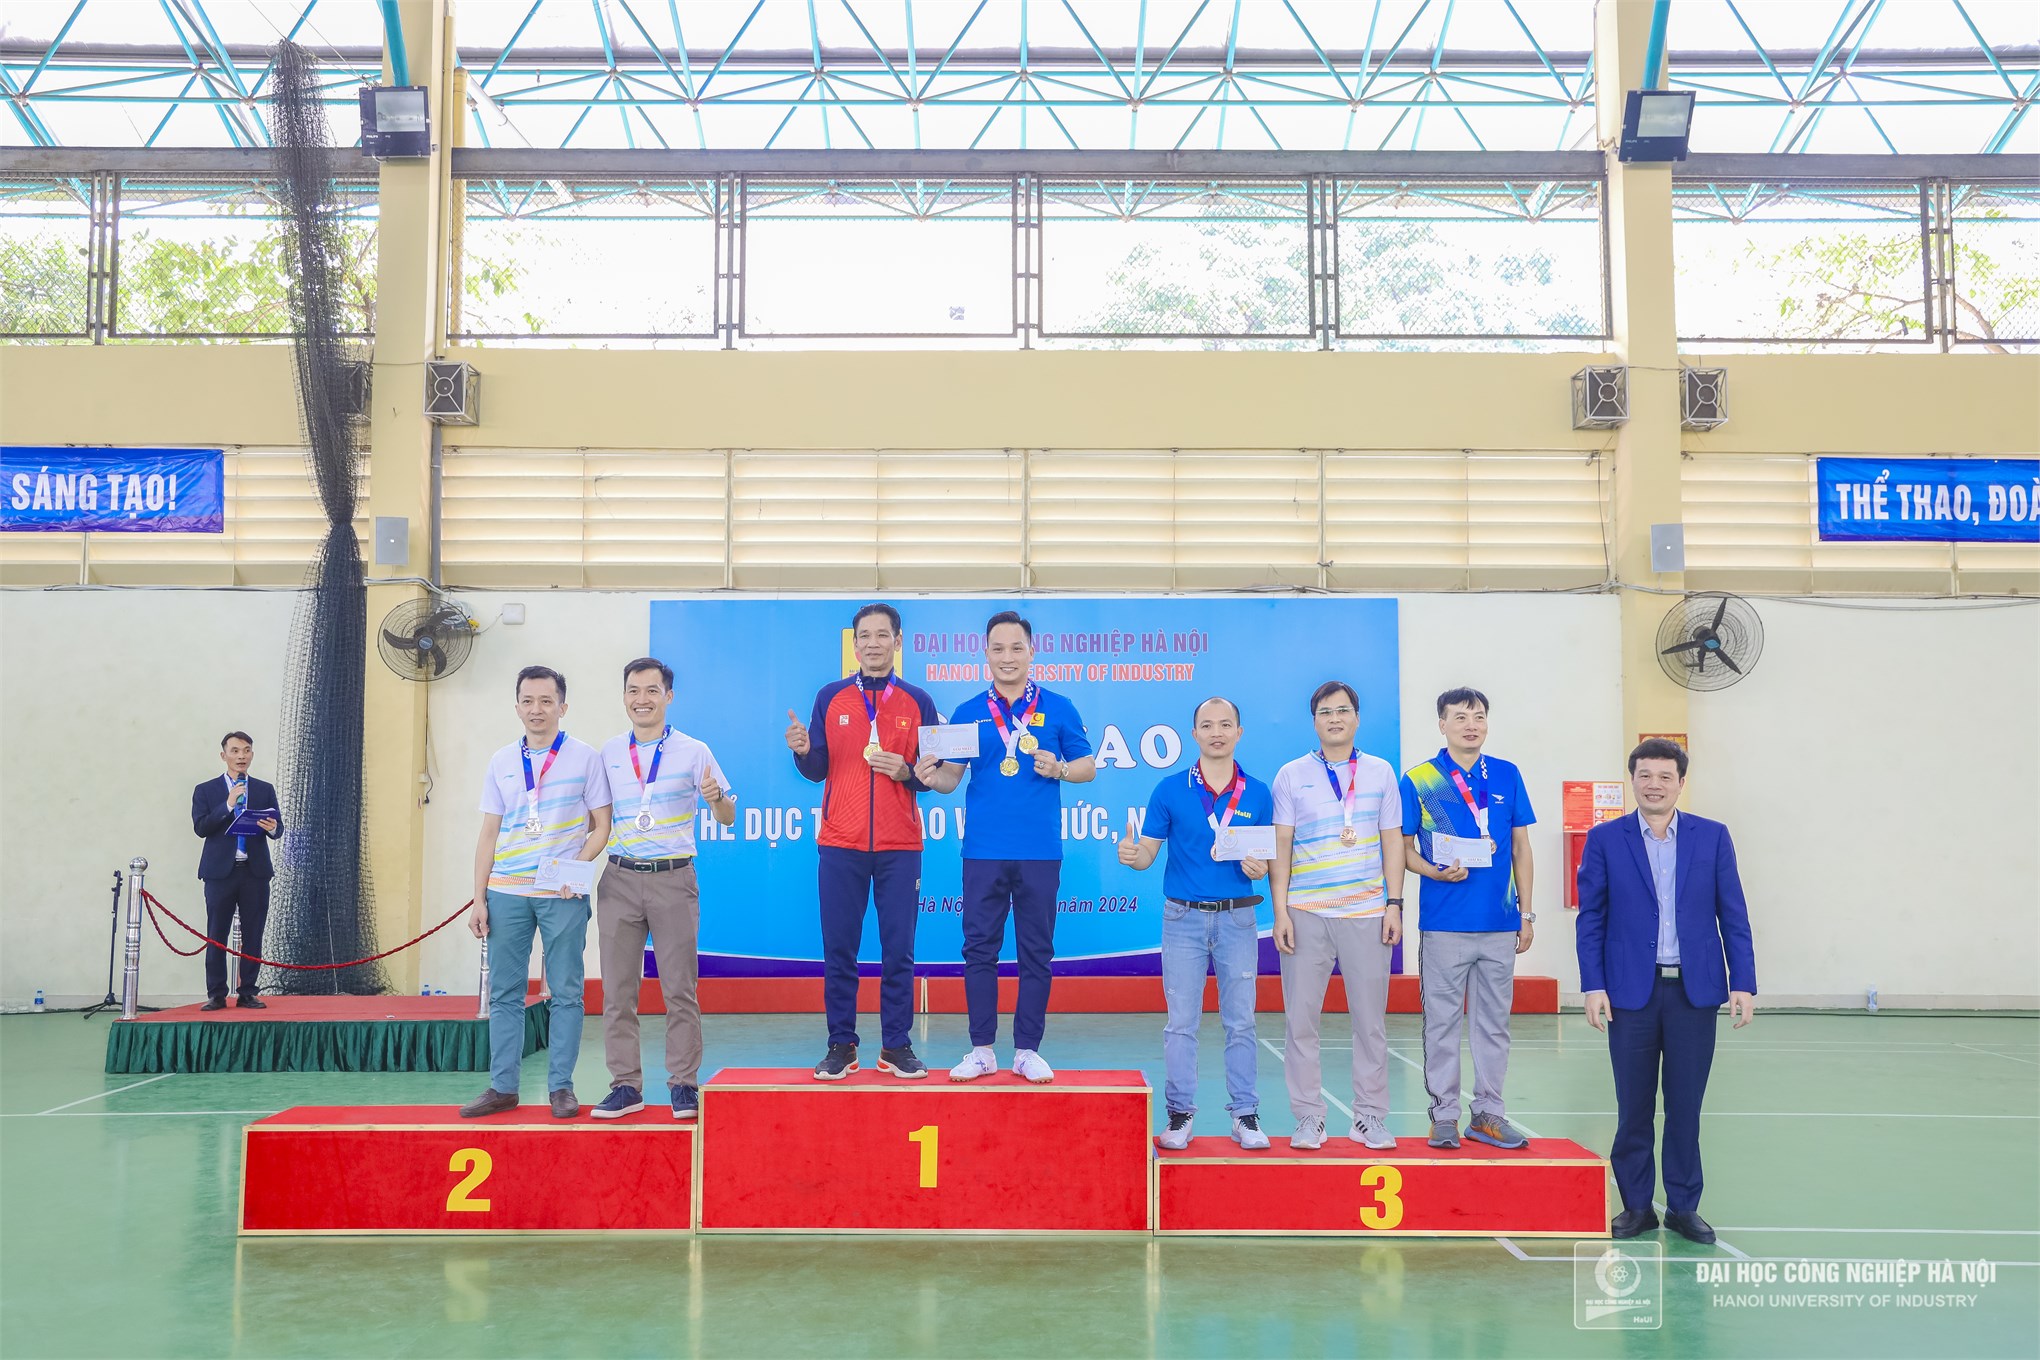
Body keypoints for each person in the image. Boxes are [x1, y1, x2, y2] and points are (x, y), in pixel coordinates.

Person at [1576, 738, 1757, 1244]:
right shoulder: (1605, 839)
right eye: (1645, 775)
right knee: (1633, 1107)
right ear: (1632, 780)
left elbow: (1733, 913)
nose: (1654, 785)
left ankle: (1683, 1206)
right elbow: (1592, 919)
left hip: (1693, 994)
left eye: (1664, 776)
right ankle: (1636, 1206)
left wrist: (1742, 981)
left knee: (1685, 1107)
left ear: (1681, 783)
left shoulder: (1712, 837)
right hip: (1629, 994)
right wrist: (1593, 984)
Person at [916, 610, 1095, 1084]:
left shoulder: (1060, 707)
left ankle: (1027, 1051)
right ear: (986, 654)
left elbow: (1087, 767)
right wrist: (928, 777)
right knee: (979, 950)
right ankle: (981, 1051)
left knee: (1037, 952)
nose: (1008, 657)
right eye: (998, 648)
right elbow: (950, 780)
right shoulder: (968, 711)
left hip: (1039, 851)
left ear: (1032, 652)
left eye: (1017, 648)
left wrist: (1059, 768)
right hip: (983, 851)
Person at [787, 602, 941, 1081]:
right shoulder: (830, 697)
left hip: (900, 847)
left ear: (898, 641)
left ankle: (896, 1045)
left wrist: (907, 772)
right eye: (865, 636)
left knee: (899, 951)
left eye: (882, 635)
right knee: (840, 950)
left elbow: (932, 775)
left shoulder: (919, 701)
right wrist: (802, 752)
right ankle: (841, 1044)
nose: (873, 643)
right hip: (840, 844)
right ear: (854, 645)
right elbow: (817, 770)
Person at [1118, 696, 1272, 1150]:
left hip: (1238, 919)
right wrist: (1132, 856)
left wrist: (1259, 867)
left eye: (1225, 724)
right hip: (1182, 919)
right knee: (1181, 1023)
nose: (1216, 732)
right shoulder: (1169, 790)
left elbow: (1265, 859)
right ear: (1194, 734)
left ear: (1239, 732)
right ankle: (1180, 1114)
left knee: (1240, 1022)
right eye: (1207, 725)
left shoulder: (1258, 793)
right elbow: (1147, 854)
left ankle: (1245, 1115)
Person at [461, 666, 613, 1120]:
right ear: (517, 707)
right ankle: (503, 1087)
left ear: (562, 707)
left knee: (566, 992)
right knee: (505, 993)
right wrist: (479, 898)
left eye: (546, 701)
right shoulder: (501, 761)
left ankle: (561, 1088)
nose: (537, 709)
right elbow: (489, 833)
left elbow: (602, 826)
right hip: (506, 891)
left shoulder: (585, 758)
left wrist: (575, 869)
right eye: (528, 701)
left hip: (561, 893)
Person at [590, 658, 736, 1122]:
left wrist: (716, 799)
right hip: (618, 879)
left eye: (652, 691)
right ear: (624, 697)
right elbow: (596, 820)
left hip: (673, 879)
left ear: (668, 697)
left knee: (679, 989)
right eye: (633, 690)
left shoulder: (695, 751)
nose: (642, 699)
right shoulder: (609, 752)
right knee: (618, 992)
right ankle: (625, 1086)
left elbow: (727, 816)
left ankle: (683, 1085)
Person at [1269, 680, 1405, 1150]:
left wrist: (1393, 904)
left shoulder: (1381, 772)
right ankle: (1309, 1117)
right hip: (1306, 913)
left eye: (1343, 710)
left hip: (1367, 914)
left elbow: (1392, 841)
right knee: (1301, 1022)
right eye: (1325, 712)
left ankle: (1369, 1117)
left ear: (1357, 718)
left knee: (1370, 1023)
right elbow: (1281, 845)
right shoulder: (1291, 775)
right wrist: (1281, 912)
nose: (1335, 718)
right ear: (1314, 721)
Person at [1401, 687, 1537, 1151]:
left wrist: (1526, 913)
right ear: (1442, 724)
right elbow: (1402, 850)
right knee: (1440, 1024)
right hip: (1444, 925)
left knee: (1493, 1026)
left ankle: (1489, 1114)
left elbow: (1521, 847)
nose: (1471, 724)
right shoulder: (1419, 779)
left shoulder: (1506, 774)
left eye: (1478, 716)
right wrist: (1434, 871)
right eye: (1460, 717)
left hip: (1499, 924)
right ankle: (1443, 1116)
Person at [190, 731, 281, 1011]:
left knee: (253, 934)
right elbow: (201, 828)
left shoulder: (264, 789)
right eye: (235, 751)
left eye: (246, 750)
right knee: (217, 933)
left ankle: (248, 992)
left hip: (255, 872)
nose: (241, 756)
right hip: (220, 873)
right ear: (224, 755)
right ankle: (217, 994)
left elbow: (278, 827)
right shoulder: (205, 790)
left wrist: (273, 828)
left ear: (252, 754)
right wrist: (229, 804)